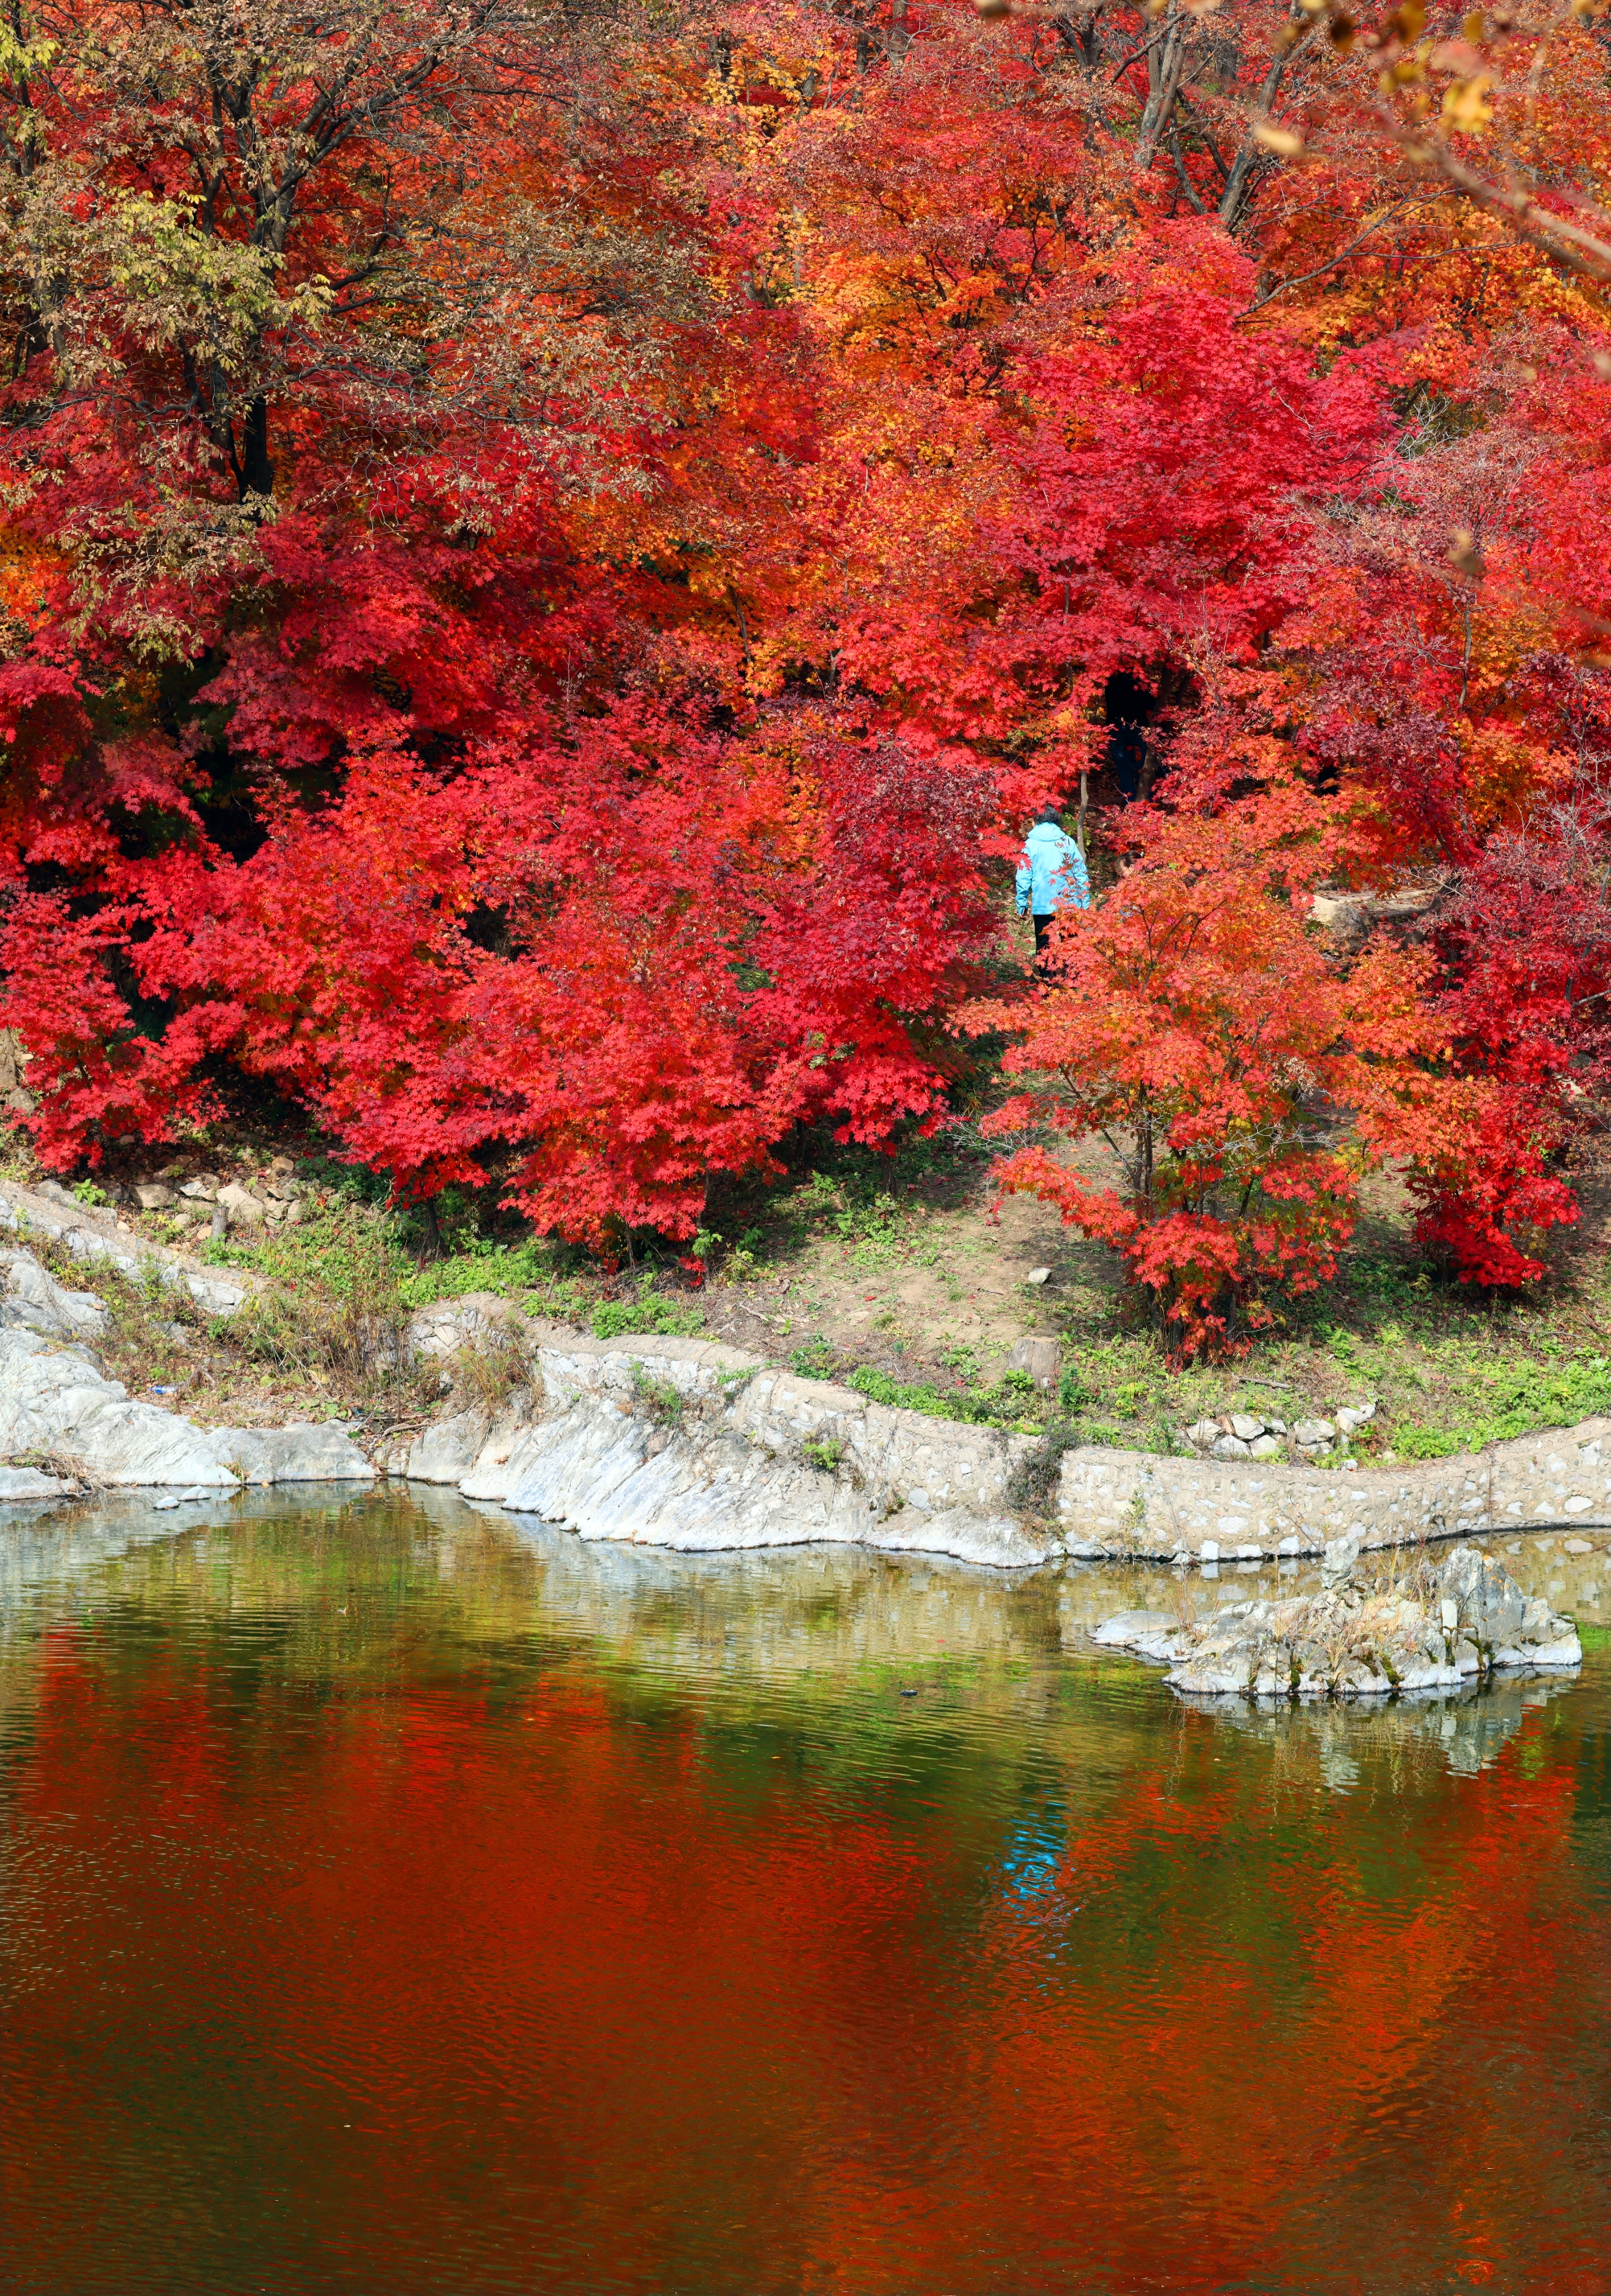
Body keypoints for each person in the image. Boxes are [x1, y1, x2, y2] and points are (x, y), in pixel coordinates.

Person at [1016, 808, 1090, 960]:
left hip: (1043, 902)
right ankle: (1072, 979)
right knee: (1070, 942)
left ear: (1035, 821)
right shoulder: (1067, 842)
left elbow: (1023, 876)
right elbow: (1080, 872)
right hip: (1068, 902)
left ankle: (1047, 979)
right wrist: (1085, 902)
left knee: (1044, 944)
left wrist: (1022, 903)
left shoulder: (1029, 845)